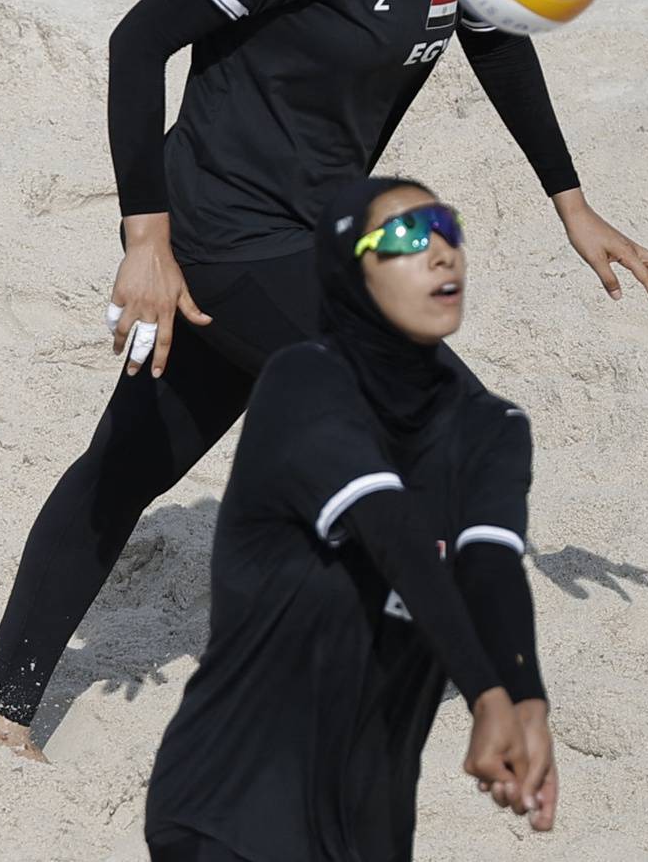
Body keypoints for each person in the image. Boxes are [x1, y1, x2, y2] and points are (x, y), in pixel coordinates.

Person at [0, 0, 648, 757]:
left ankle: (1, 701)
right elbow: (136, 42)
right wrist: (145, 240)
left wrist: (569, 201)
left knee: (133, 459)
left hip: (311, 229)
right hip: (218, 220)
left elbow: (491, 33)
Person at [145, 177, 556, 861]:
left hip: (368, 829)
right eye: (403, 235)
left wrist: (526, 699)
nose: (440, 252)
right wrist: (487, 693)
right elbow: (390, 527)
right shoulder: (303, 381)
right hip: (229, 804)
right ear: (348, 273)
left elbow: (489, 566)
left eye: (446, 227)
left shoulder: (494, 425)